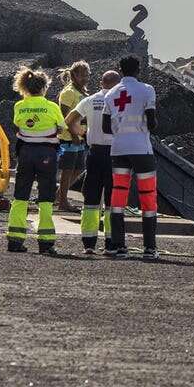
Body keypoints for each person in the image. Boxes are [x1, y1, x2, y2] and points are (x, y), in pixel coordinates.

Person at [101, 55, 159, 259]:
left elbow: (105, 127)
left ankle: (117, 245)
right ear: (139, 70)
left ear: (120, 70)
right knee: (148, 196)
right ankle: (150, 248)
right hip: (141, 148)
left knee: (118, 196)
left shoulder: (110, 94)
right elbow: (152, 123)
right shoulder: (147, 90)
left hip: (118, 149)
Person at [6, 67, 67, 254]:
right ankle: (46, 242)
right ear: (44, 87)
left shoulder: (19, 106)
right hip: (46, 154)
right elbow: (62, 128)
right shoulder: (52, 107)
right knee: (46, 198)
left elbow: (18, 124)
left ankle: (15, 240)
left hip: (25, 153)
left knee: (20, 196)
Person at [65, 70, 120, 253]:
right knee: (113, 200)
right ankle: (111, 243)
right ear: (117, 84)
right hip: (114, 154)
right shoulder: (119, 100)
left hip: (94, 153)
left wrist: (81, 133)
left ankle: (89, 242)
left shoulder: (90, 100)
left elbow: (70, 119)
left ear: (101, 83)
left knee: (91, 198)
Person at [54, 61, 89, 212]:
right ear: (74, 75)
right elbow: (64, 115)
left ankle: (58, 195)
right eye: (83, 75)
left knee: (79, 168)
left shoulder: (81, 91)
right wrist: (74, 134)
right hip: (69, 138)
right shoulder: (68, 92)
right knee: (68, 170)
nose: (86, 78)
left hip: (80, 137)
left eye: (88, 75)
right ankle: (63, 202)